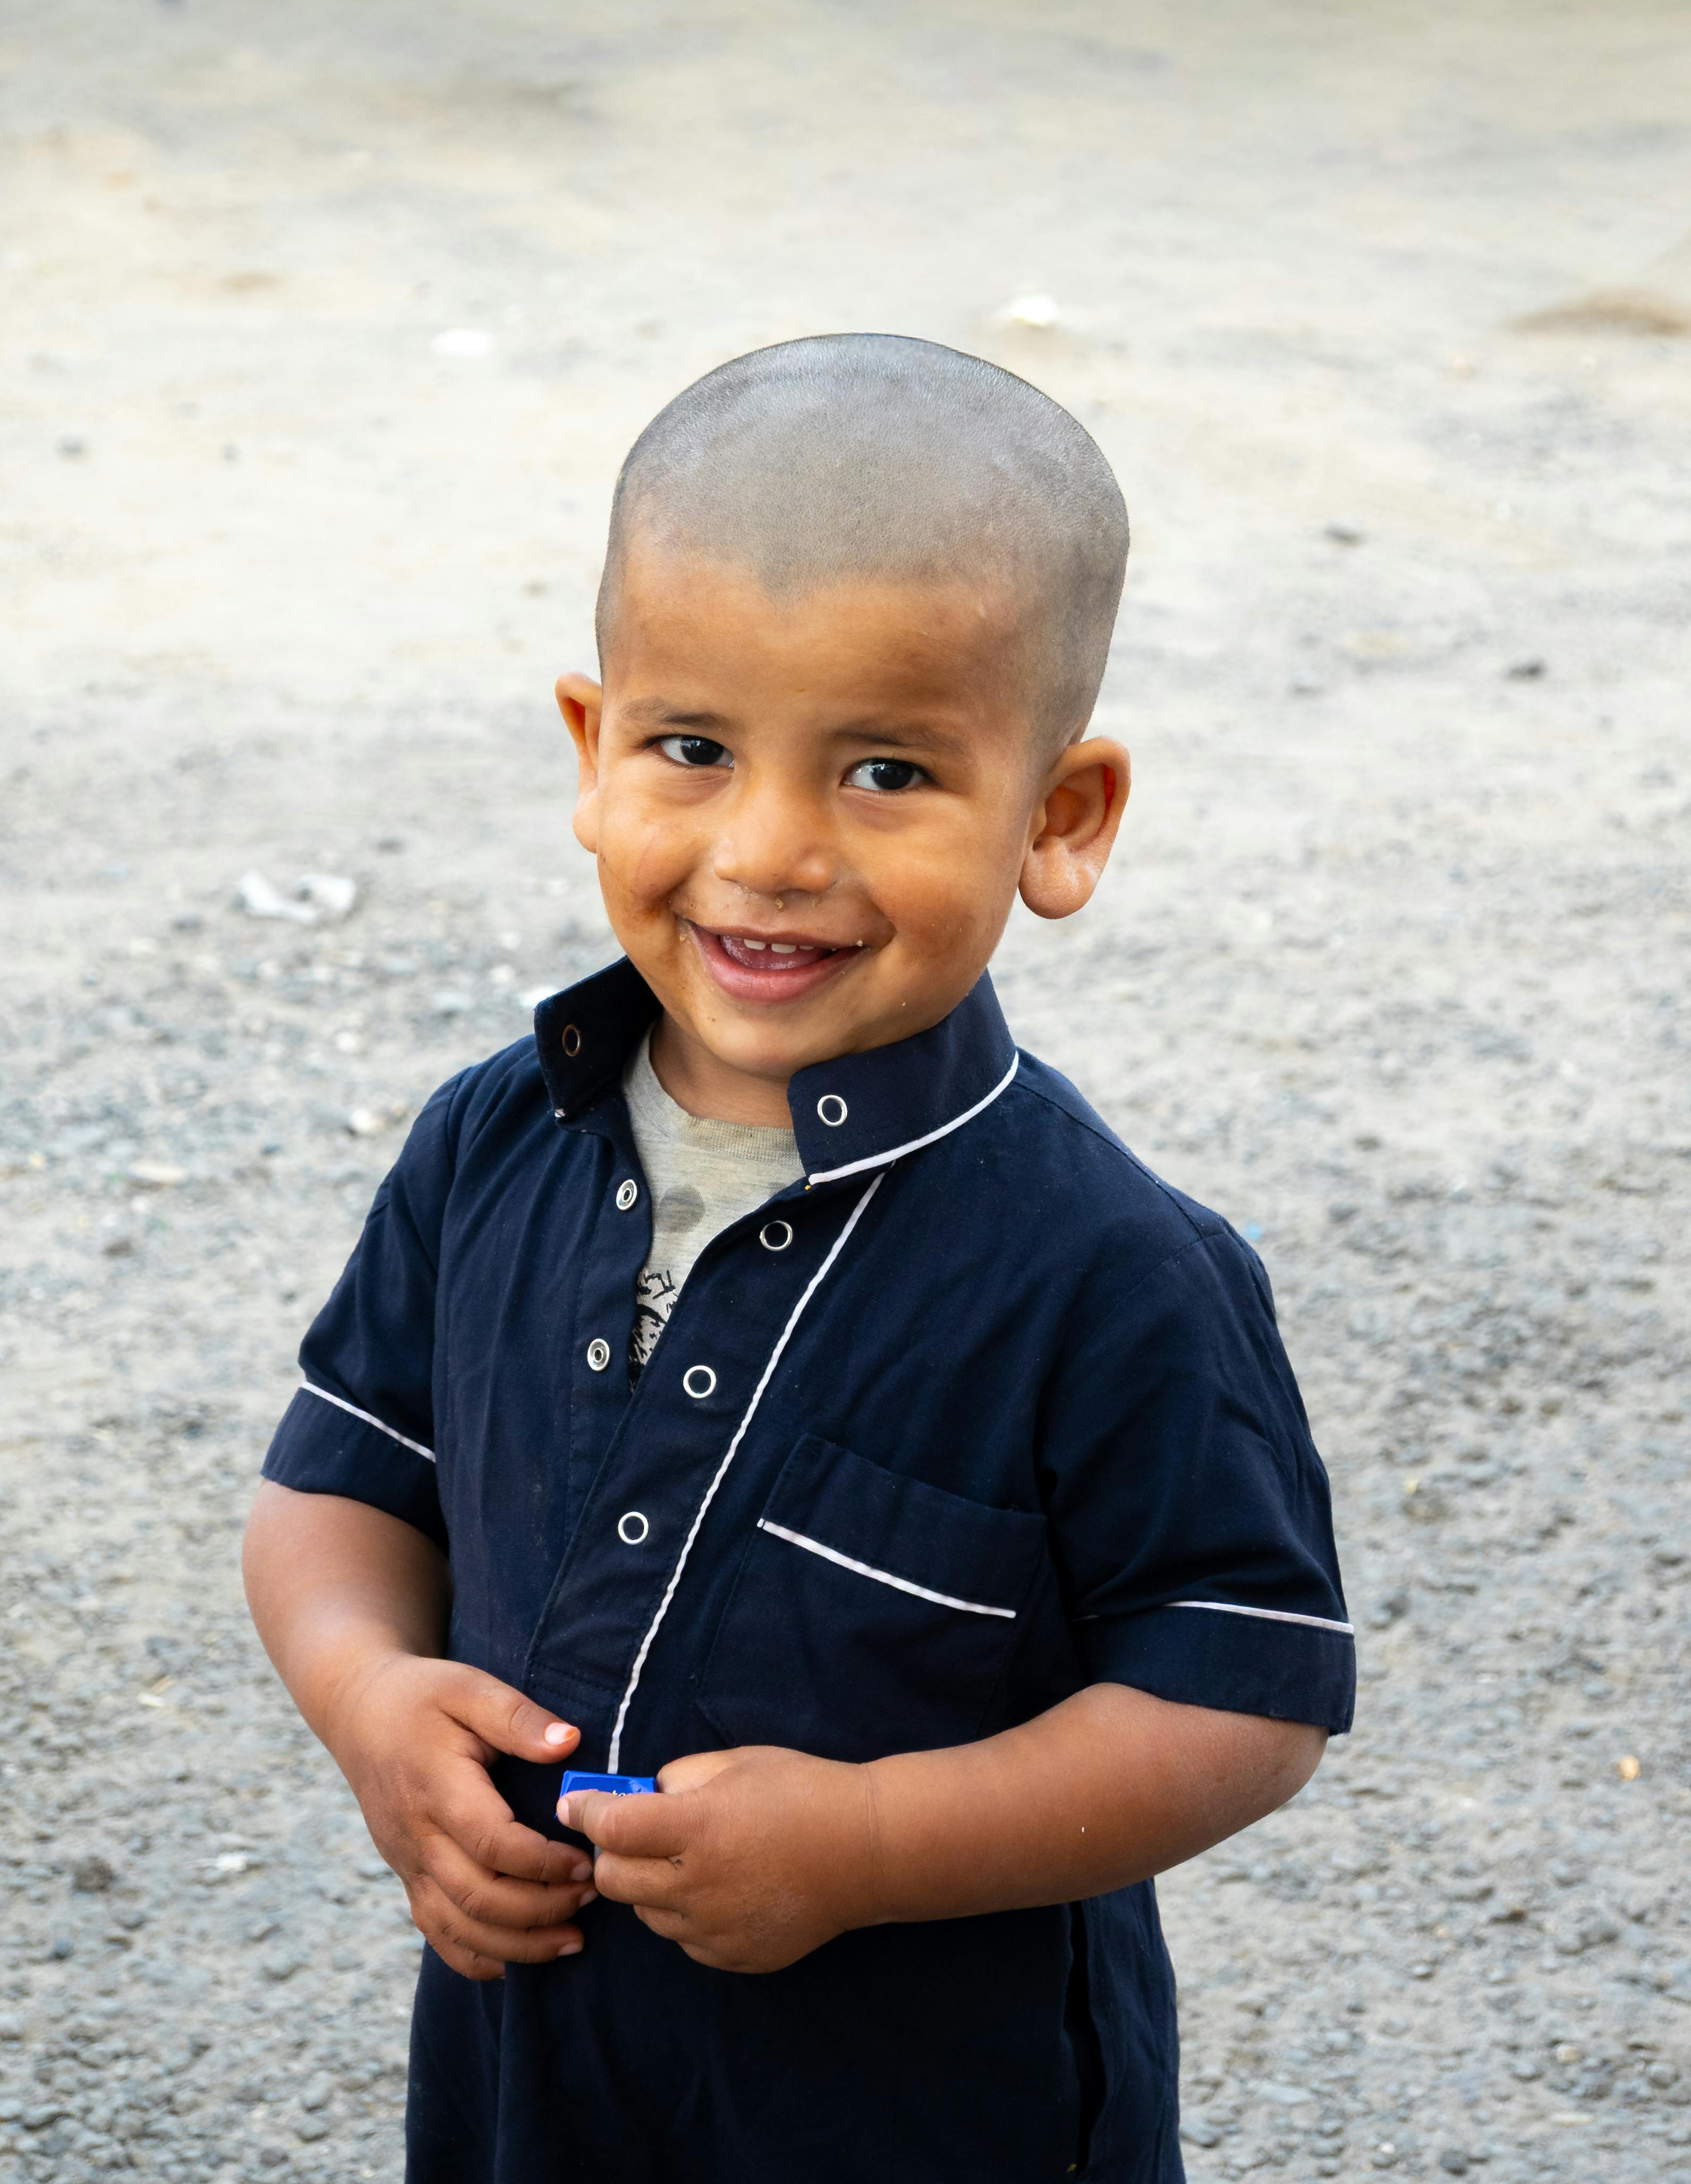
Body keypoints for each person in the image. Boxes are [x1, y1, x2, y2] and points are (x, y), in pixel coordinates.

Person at [244, 334, 1354, 2184]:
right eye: (693, 749)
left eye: (890, 771)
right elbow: (339, 1492)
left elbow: (1238, 1702)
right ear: (593, 753)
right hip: (537, 2077)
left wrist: (868, 1848)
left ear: (1060, 819)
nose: (768, 851)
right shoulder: (493, 1139)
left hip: (927, 2111)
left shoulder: (1106, 1269)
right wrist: (370, 1700)